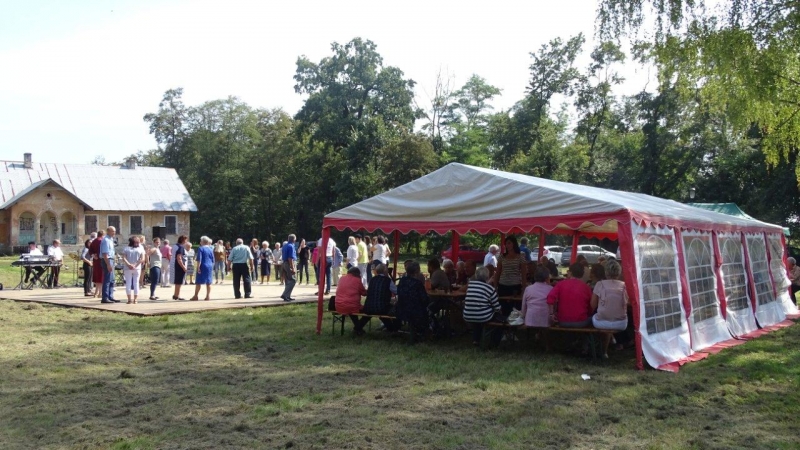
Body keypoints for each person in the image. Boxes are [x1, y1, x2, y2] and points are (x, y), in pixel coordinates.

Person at [590, 259, 629, 358]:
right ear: (619, 272)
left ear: (606, 272)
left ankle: (602, 349)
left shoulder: (599, 284)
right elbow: (628, 303)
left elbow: (592, 305)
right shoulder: (624, 286)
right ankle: (609, 344)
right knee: (610, 316)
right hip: (621, 323)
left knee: (596, 316)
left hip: (601, 322)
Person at [463, 267, 503, 347]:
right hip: (483, 316)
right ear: (487, 277)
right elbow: (497, 307)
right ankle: (494, 343)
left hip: (467, 314)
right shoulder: (490, 288)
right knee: (499, 321)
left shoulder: (470, 285)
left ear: (476, 275)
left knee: (478, 314)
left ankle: (476, 340)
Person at [547, 263, 593, 327]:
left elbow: (550, 298)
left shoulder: (560, 284)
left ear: (570, 272)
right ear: (582, 274)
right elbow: (591, 306)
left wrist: (551, 314)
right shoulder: (586, 287)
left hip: (563, 321)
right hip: (581, 321)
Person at [395, 262, 429, 343]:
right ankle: (424, 332)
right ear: (417, 271)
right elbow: (424, 298)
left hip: (401, 308)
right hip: (415, 310)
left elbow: (398, 292)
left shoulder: (402, 281)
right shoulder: (418, 283)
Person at [493, 236, 528, 315]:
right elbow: (497, 273)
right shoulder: (502, 256)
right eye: (506, 244)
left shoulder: (521, 256)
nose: (507, 245)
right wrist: (495, 286)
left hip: (515, 286)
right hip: (503, 285)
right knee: (504, 307)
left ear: (514, 244)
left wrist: (523, 288)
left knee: (515, 308)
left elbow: (523, 274)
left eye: (509, 243)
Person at [363, 263, 400, 331]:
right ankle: (394, 329)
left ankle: (358, 327)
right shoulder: (387, 280)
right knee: (396, 309)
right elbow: (397, 291)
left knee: (375, 311)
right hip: (382, 307)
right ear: (385, 271)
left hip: (368, 307)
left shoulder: (372, 280)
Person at [335, 267, 369, 335]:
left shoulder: (342, 278)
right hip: (352, 306)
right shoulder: (357, 280)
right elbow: (364, 293)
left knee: (351, 309)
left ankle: (358, 329)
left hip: (338, 305)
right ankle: (358, 328)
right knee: (369, 312)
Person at [121, 235, 145, 304]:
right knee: (136, 283)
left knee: (128, 283)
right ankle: (135, 299)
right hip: (137, 268)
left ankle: (129, 299)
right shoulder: (140, 249)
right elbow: (142, 259)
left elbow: (124, 258)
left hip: (127, 268)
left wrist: (129, 264)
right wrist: (135, 265)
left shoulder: (126, 248)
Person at [190, 236, 215, 301]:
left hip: (203, 265)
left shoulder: (201, 248)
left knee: (198, 281)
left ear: (202, 242)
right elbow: (213, 259)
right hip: (209, 265)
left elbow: (199, 259)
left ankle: (196, 296)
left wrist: (198, 267)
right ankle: (208, 296)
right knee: (208, 282)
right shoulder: (210, 249)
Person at [100, 226, 118, 304]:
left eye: (114, 231)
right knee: (107, 279)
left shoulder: (111, 239)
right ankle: (105, 297)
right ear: (108, 231)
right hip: (107, 260)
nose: (114, 233)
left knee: (112, 279)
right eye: (112, 231)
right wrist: (108, 264)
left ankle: (111, 296)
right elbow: (105, 254)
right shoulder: (106, 240)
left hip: (111, 259)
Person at [281, 234, 297, 302]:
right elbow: (290, 258)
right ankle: (285, 295)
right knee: (293, 280)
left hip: (284, 263)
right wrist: (292, 268)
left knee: (287, 280)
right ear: (294, 239)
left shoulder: (285, 246)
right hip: (289, 263)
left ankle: (287, 296)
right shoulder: (291, 246)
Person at [89, 230, 105, 298]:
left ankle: (96, 292)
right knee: (101, 277)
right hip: (101, 260)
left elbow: (90, 250)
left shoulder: (94, 241)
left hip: (96, 260)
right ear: (103, 235)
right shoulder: (102, 241)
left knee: (97, 276)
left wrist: (93, 255)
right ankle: (100, 293)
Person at [172, 235, 188, 301]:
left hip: (177, 265)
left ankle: (176, 294)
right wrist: (183, 267)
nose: (186, 241)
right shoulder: (181, 247)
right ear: (183, 240)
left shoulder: (176, 246)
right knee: (179, 281)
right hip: (180, 266)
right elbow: (179, 258)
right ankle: (177, 295)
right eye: (186, 240)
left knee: (178, 281)